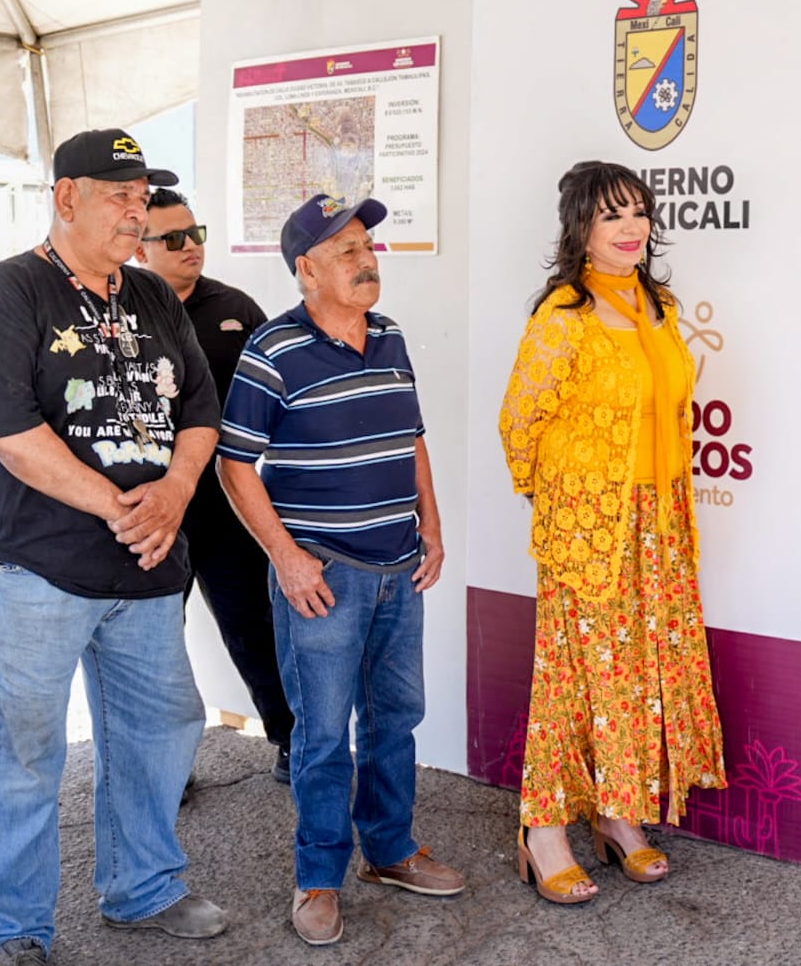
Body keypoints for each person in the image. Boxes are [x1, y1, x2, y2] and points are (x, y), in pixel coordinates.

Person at [0, 128, 227, 966]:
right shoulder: (7, 292)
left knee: (158, 732)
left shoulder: (151, 297)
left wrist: (175, 491)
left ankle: (143, 887)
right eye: (118, 196)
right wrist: (121, 506)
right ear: (66, 197)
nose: (136, 213)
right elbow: (6, 430)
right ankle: (15, 930)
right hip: (30, 567)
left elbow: (201, 411)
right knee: (19, 751)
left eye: (143, 198)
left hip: (143, 571)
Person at [217, 193, 464, 946]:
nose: (367, 260)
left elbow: (411, 435)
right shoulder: (272, 349)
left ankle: (389, 851)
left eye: (368, 246)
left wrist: (431, 520)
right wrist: (287, 558)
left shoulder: (389, 336)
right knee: (323, 733)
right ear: (306, 269)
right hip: (324, 576)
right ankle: (318, 875)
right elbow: (234, 465)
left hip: (398, 567)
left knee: (396, 717)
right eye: (348, 249)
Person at [498, 160, 727, 905]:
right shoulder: (562, 316)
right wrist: (561, 503)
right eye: (611, 216)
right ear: (581, 231)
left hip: (659, 522)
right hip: (587, 529)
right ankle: (544, 831)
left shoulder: (658, 304)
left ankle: (619, 816)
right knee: (572, 682)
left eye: (638, 212)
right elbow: (518, 423)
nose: (630, 228)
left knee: (637, 680)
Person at [137, 187, 293, 783]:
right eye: (172, 239)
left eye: (195, 233)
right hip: (152, 504)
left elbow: (275, 395)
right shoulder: (124, 314)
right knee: (150, 640)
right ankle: (159, 770)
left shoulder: (235, 307)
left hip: (227, 499)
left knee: (254, 622)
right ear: (139, 250)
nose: (190, 248)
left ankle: (291, 743)